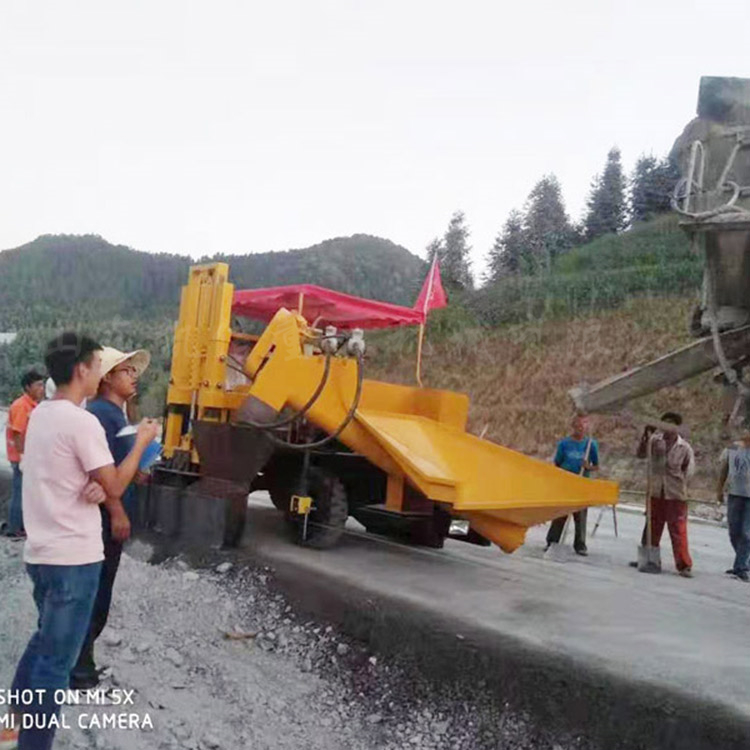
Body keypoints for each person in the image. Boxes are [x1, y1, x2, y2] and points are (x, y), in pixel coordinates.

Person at [1, 333, 158, 750]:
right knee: (57, 664)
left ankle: (13, 721)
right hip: (75, 560)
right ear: (82, 370)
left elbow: (65, 474)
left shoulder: (43, 416)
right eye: (96, 365)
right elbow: (117, 485)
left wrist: (92, 485)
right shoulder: (82, 420)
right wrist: (142, 441)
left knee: (43, 639)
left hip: (43, 556)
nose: (98, 372)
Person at [70, 346, 151, 690]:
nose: (133, 376)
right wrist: (117, 513)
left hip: (104, 517)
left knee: (96, 594)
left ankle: (79, 665)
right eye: (126, 370)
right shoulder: (103, 415)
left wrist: (138, 469)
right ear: (107, 378)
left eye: (134, 371)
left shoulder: (113, 414)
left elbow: (116, 468)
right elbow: (101, 477)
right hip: (102, 520)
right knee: (94, 595)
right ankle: (78, 671)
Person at [635, 412, 696, 578]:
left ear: (677, 427)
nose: (667, 429)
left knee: (677, 529)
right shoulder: (654, 442)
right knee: (652, 526)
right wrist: (645, 437)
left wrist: (679, 485)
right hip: (656, 491)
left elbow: (688, 472)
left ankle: (684, 565)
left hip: (675, 494)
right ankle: (649, 558)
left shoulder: (684, 448)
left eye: (671, 425)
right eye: (664, 425)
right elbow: (640, 454)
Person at [545, 414, 599, 556]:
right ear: (573, 426)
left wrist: (588, 466)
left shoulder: (590, 445)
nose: (580, 429)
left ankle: (580, 544)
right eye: (578, 426)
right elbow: (557, 463)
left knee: (580, 515)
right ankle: (552, 541)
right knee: (560, 513)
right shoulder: (564, 444)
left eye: (583, 426)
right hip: (565, 484)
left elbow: (597, 466)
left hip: (581, 484)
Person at [4, 370, 45, 539]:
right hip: (21, 457)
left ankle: (19, 525)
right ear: (28, 387)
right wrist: (22, 456)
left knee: (24, 493)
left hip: (26, 455)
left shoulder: (31, 405)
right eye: (38, 385)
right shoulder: (22, 406)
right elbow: (18, 433)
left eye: (43, 385)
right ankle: (15, 528)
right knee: (20, 493)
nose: (42, 389)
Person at [717, 428, 750, 582]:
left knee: (746, 532)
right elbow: (724, 469)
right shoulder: (733, 448)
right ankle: (743, 561)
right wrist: (719, 489)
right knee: (734, 531)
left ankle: (741, 566)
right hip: (734, 493)